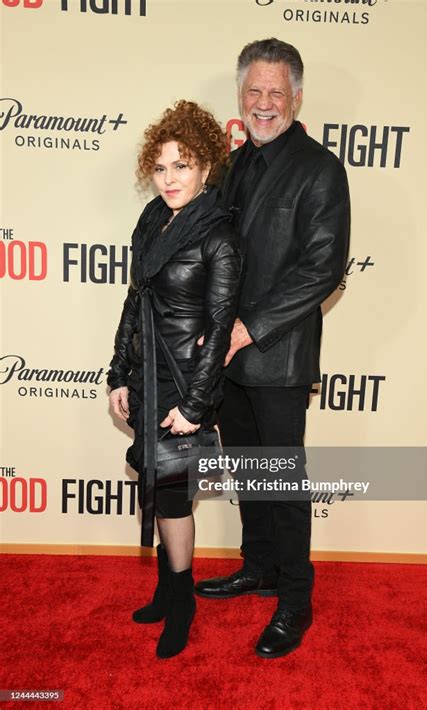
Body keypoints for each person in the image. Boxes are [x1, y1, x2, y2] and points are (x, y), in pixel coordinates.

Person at [195, 39, 351, 659]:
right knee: (249, 473)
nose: (264, 103)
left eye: (276, 92)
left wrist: (246, 328)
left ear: (297, 98)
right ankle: (257, 567)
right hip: (227, 359)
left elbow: (323, 267)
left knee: (284, 482)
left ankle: (296, 597)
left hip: (277, 355)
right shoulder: (231, 165)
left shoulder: (319, 169)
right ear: (241, 96)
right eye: (254, 91)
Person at [107, 100, 241, 659]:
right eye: (161, 167)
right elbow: (134, 300)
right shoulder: (150, 222)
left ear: (207, 168)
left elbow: (220, 326)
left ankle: (182, 601)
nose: (170, 178)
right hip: (147, 379)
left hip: (186, 383)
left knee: (173, 499)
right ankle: (166, 589)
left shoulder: (219, 236)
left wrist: (195, 404)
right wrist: (118, 371)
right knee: (160, 490)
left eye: (182, 166)